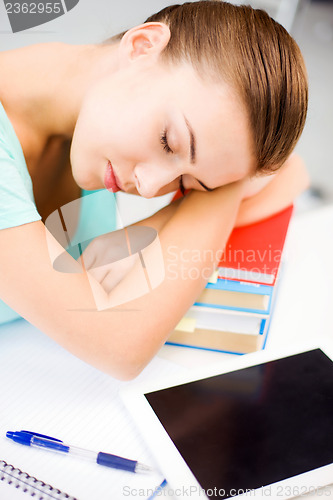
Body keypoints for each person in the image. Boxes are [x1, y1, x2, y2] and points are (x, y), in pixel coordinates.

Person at [0, 1, 309, 379]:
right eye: (168, 141)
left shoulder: (94, 127)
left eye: (185, 184)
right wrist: (225, 186)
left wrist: (212, 184)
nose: (149, 187)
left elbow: (292, 174)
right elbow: (119, 345)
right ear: (142, 47)